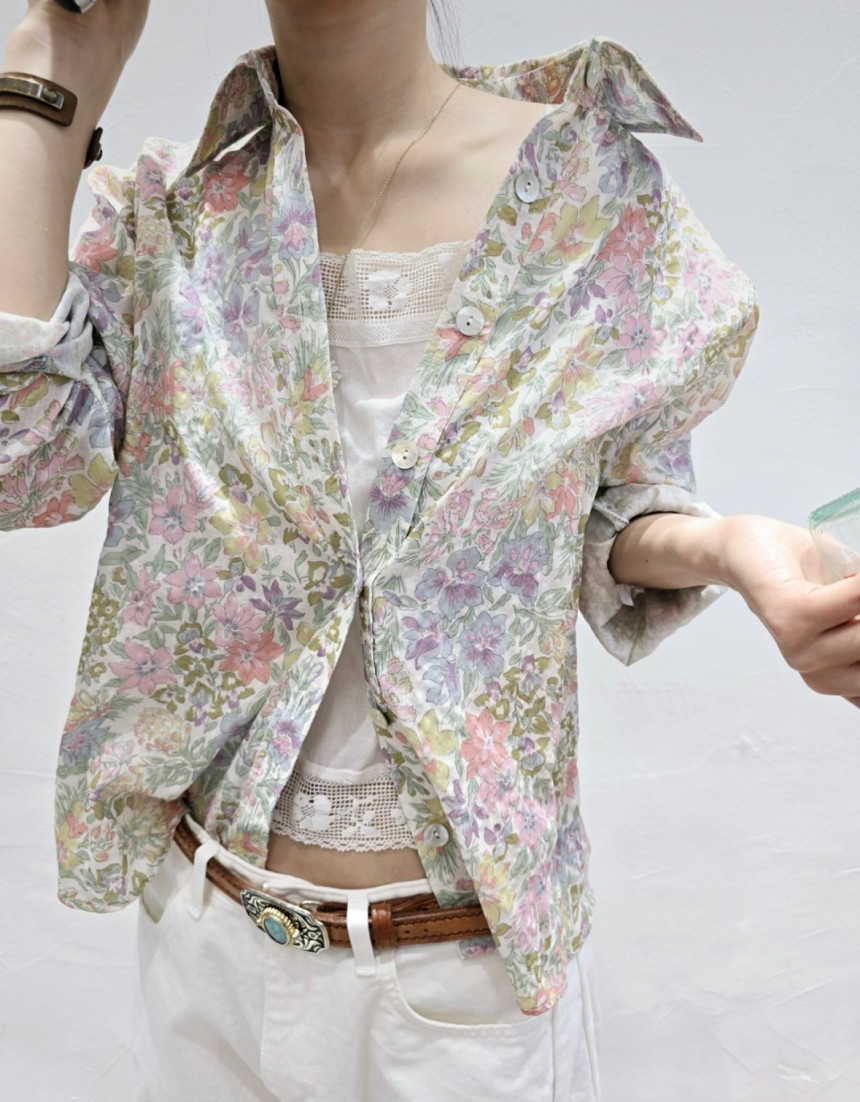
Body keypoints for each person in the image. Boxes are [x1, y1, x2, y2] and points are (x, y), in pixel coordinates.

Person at [1, 1, 858, 1099]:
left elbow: (599, 510)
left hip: (455, 995)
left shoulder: (582, 193)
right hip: (203, 958)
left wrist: (730, 547)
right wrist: (47, 76)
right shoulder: (174, 218)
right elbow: (20, 466)